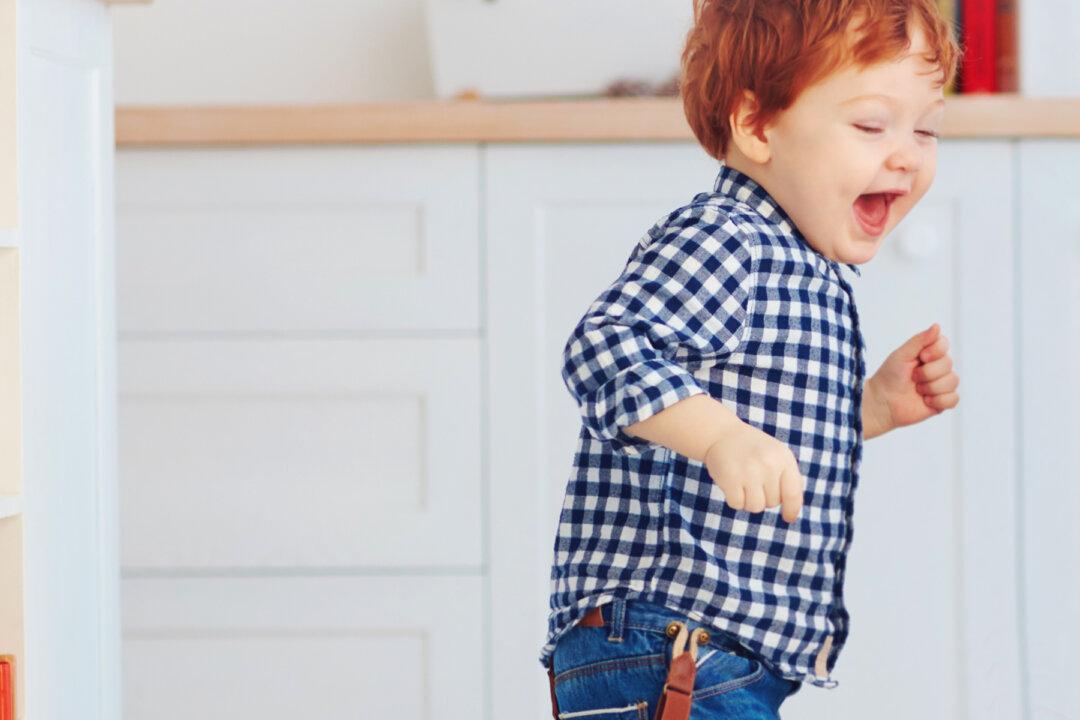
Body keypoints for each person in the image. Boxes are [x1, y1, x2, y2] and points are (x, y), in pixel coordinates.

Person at [541, 1, 963, 718]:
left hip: (708, 655)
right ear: (757, 124)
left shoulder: (804, 263)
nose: (906, 153)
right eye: (871, 125)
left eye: (924, 128)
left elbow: (760, 423)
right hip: (671, 646)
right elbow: (603, 346)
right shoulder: (728, 238)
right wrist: (721, 437)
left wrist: (867, 409)